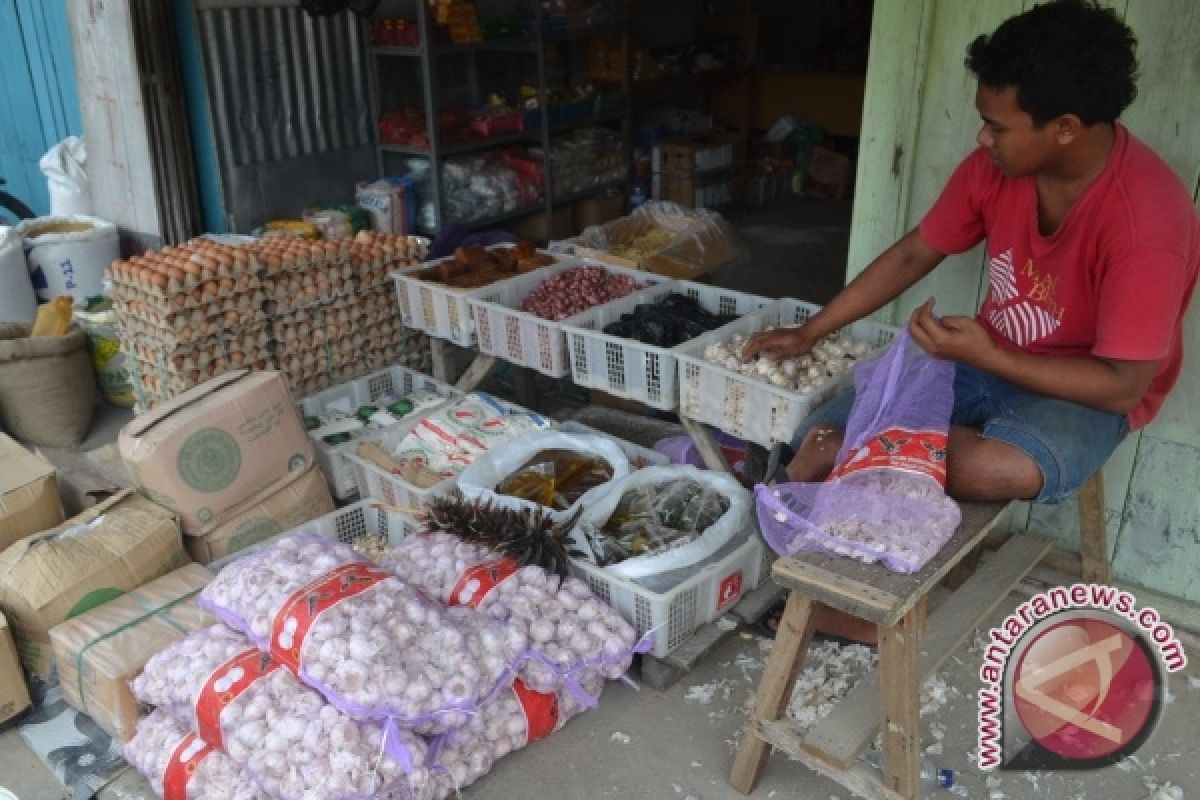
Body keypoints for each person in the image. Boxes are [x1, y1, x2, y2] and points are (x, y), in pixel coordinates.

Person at [748, 0, 1200, 644]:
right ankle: (850, 505)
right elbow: (914, 252)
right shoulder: (996, 171)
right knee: (830, 416)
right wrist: (812, 330)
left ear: (1065, 127)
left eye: (998, 126)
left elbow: (1123, 385)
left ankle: (856, 495)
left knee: (1001, 470)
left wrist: (989, 358)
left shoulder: (1145, 219)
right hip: (991, 359)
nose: (982, 139)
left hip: (1085, 392)